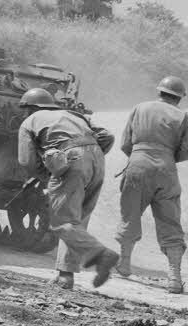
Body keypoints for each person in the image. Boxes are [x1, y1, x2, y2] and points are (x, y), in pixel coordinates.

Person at [16, 87, 120, 290]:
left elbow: (26, 160)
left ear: (31, 108)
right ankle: (65, 276)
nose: (24, 113)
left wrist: (48, 175)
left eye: (25, 109)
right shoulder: (74, 114)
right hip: (96, 159)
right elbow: (107, 136)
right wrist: (91, 157)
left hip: (69, 160)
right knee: (76, 221)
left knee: (62, 222)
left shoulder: (29, 121)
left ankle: (101, 255)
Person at [115, 76, 188, 293]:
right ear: (180, 98)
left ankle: (124, 265)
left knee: (130, 214)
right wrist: (167, 157)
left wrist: (139, 157)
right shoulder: (184, 117)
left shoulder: (139, 108)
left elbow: (125, 142)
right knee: (170, 222)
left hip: (137, 164)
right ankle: (174, 278)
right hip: (166, 169)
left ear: (159, 92)